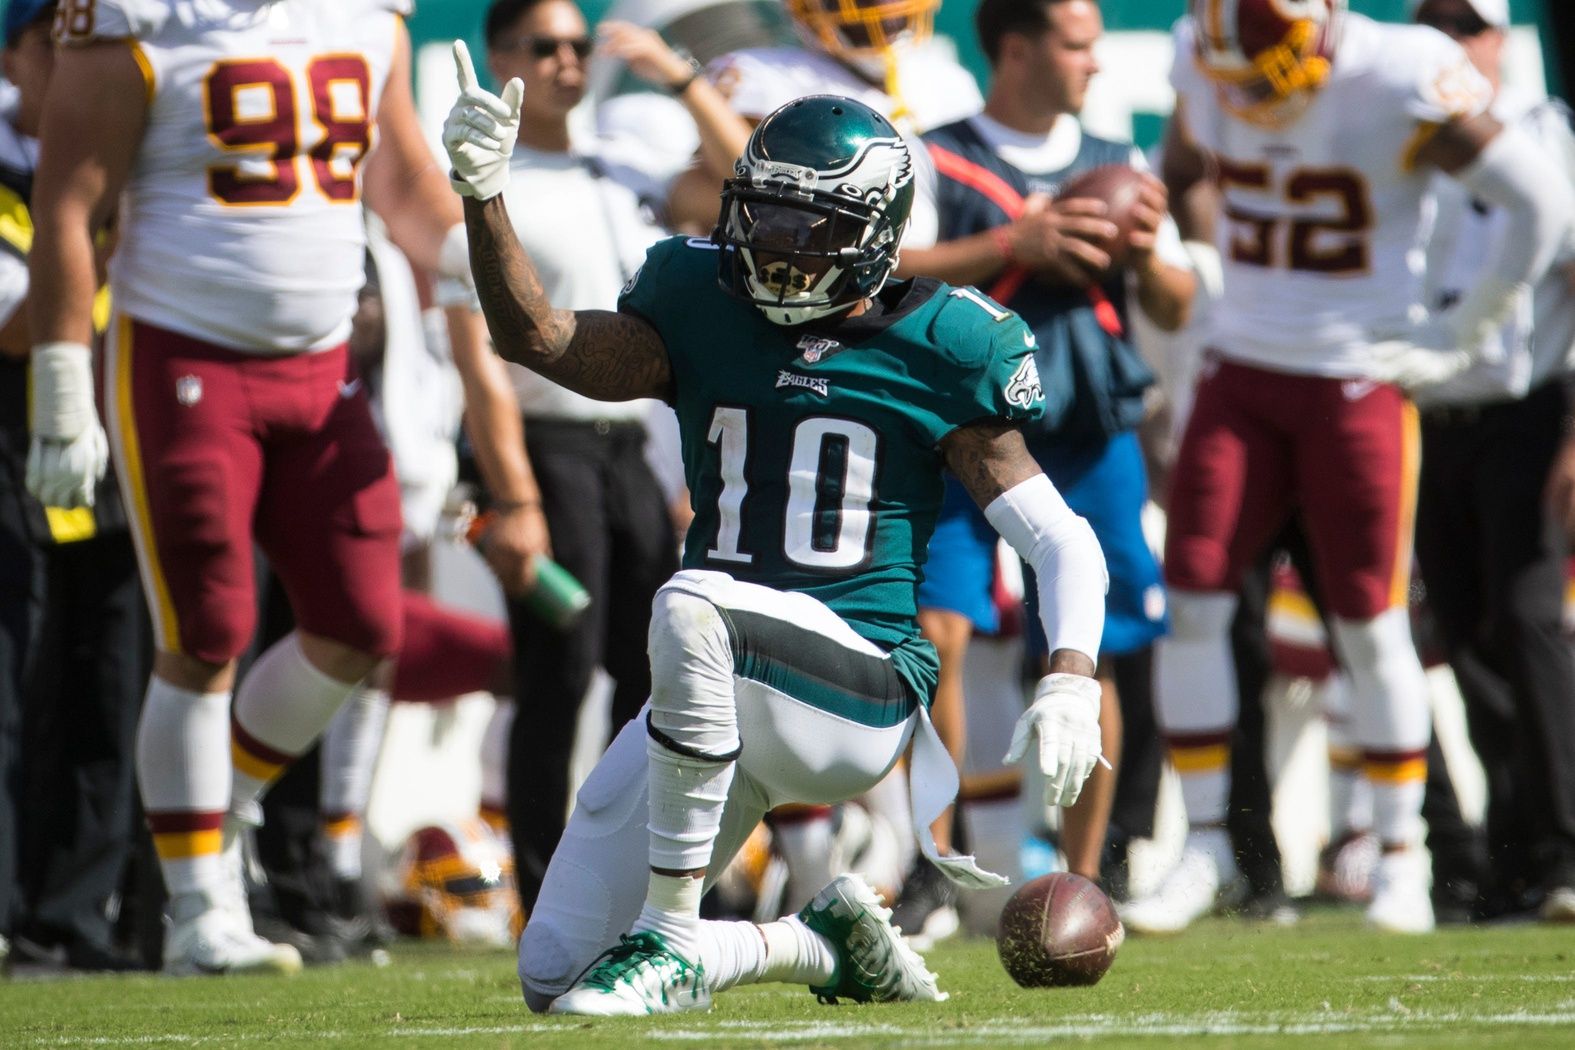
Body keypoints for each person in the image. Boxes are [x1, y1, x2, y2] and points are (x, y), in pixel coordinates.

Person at [447, 60, 1108, 1013]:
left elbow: (1061, 540)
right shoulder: (695, 294)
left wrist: (1070, 676)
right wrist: (484, 195)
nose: (779, 247)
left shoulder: (944, 343)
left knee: (690, 599)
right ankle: (813, 942)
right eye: (762, 215)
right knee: (553, 973)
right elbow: (540, 339)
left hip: (858, 685)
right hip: (716, 689)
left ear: (877, 234)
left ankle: (674, 936)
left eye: (813, 226)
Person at [27, 0, 536, 975]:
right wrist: (61, 379)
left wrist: (481, 199)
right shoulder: (138, 16)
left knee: (361, 624)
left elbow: (397, 185)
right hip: (182, 351)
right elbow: (67, 198)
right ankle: (194, 911)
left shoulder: (367, 18)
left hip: (322, 364)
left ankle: (225, 809)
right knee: (207, 631)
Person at [1121, 0, 1572, 936]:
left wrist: (1465, 329)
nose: (1247, 98)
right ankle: (1204, 842)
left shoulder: (1399, 68)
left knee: (1368, 623)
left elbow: (1540, 197)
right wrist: (1205, 262)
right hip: (1240, 365)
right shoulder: (1197, 47)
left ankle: (1401, 860)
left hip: (1354, 376)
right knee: (1194, 595)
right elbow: (1182, 166)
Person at [900, 0, 1194, 899]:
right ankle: (937, 868)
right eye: (1077, 46)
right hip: (958, 430)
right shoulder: (929, 151)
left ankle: (1081, 875)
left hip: (1083, 426)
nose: (1094, 65)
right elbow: (887, 274)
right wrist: (1007, 245)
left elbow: (1176, 304)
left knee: (1084, 647)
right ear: (1016, 48)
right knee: (935, 638)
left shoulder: (1117, 161)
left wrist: (1142, 255)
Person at [475, 0, 758, 914]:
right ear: (499, 54)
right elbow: (481, 356)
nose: (565, 61)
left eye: (574, 45)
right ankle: (543, 894)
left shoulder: (615, 163)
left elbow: (744, 182)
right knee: (555, 681)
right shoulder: (487, 176)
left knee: (664, 676)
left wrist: (679, 78)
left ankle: (662, 890)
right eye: (541, 46)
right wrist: (511, 494)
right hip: (545, 443)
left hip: (627, 443)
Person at [1407, 0, 1575, 924]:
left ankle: (1560, 850)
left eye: (1465, 24)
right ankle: (1514, 854)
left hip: (1528, 408)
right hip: (1430, 415)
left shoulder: (1547, 134)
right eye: (1432, 22)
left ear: (1501, 38)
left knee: (1529, 619)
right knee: (1465, 632)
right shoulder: (1400, 124)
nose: (1448, 41)